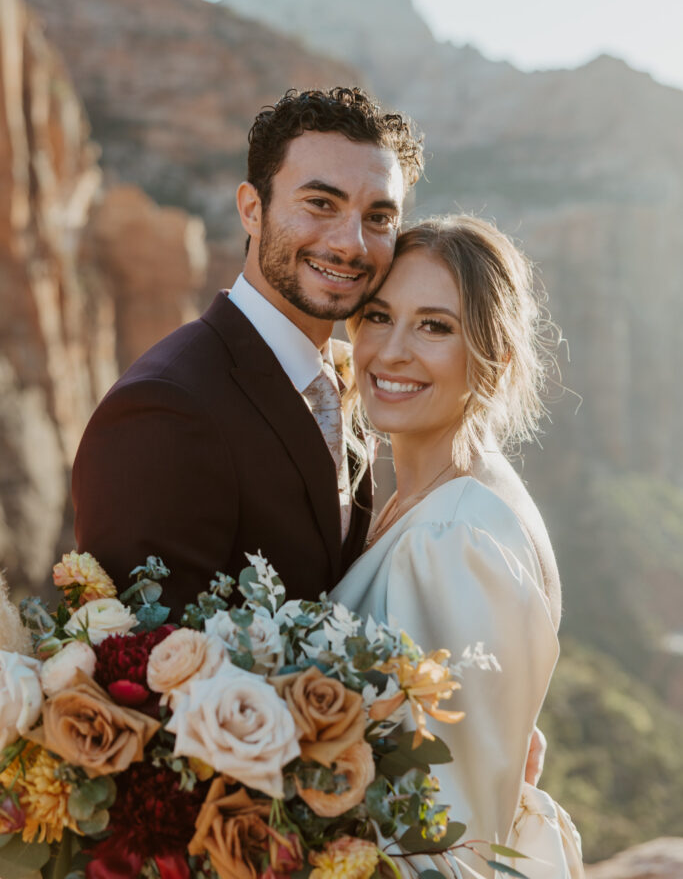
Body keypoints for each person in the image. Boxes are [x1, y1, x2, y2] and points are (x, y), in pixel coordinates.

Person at [72, 87, 423, 617]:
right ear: (252, 209)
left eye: (378, 217)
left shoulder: (339, 383)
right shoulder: (165, 409)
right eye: (321, 204)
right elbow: (137, 669)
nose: (351, 243)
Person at [332, 215, 584, 879]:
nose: (390, 352)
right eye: (379, 316)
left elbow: (443, 838)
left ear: (493, 358)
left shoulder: (456, 535)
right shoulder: (433, 501)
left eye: (434, 326)